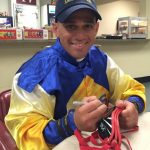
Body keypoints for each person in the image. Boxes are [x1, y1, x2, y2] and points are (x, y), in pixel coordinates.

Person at [5, 0, 146, 150]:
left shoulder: (102, 60)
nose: (80, 36)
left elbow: (132, 88)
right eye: (71, 26)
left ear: (96, 28)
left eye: (87, 26)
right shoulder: (34, 73)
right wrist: (70, 123)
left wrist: (134, 105)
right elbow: (24, 133)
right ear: (56, 28)